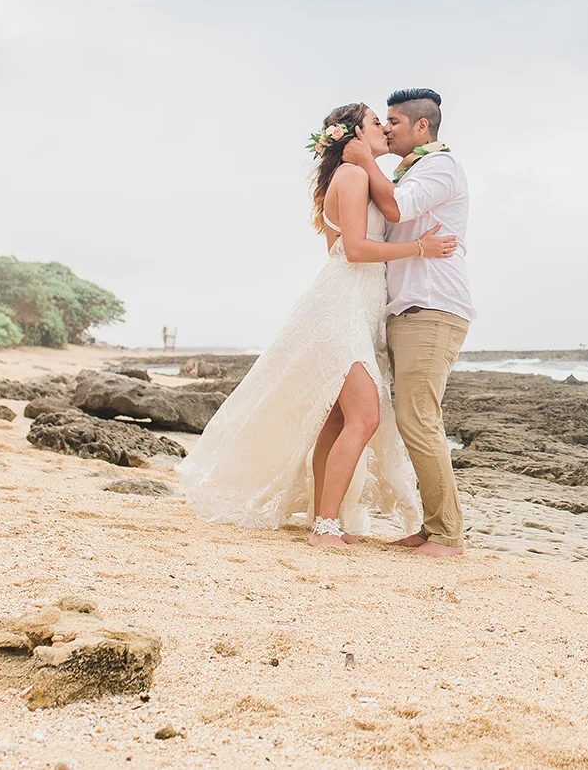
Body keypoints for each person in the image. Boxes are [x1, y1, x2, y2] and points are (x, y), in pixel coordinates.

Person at [178, 102, 458, 547]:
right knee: (364, 418)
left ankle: (323, 520)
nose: (383, 129)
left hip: (358, 306)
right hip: (342, 309)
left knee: (336, 421)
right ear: (353, 136)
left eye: (387, 122)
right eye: (374, 123)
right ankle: (326, 525)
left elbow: (362, 233)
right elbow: (353, 250)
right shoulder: (351, 177)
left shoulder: (361, 177)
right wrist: (419, 248)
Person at [341, 88, 474, 557]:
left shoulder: (441, 166)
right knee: (412, 419)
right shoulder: (406, 169)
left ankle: (447, 536)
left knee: (418, 419)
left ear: (422, 127)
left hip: (433, 307)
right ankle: (434, 526)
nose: (387, 128)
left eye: (394, 121)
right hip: (406, 309)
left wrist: (364, 160)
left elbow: (398, 208)